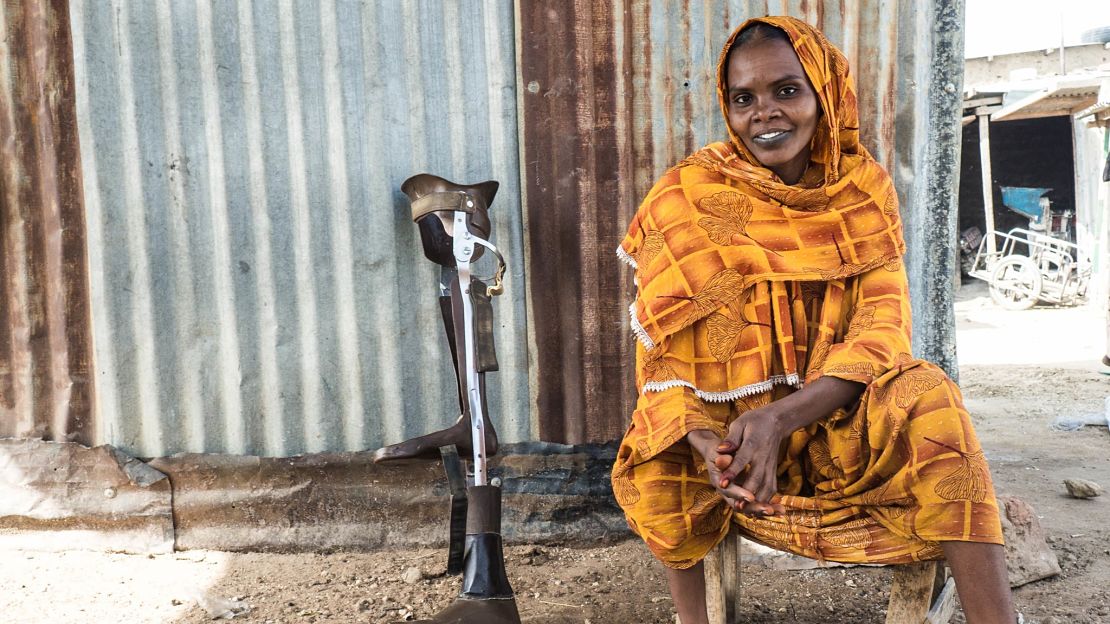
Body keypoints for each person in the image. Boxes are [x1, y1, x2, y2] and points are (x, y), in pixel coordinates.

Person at [611, 16, 1017, 624]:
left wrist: (780, 418)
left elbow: (882, 330)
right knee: (657, 442)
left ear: (824, 92)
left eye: (786, 90)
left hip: (840, 426)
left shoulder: (862, 190)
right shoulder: (691, 195)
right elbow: (666, 361)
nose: (765, 113)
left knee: (930, 394)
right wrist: (711, 446)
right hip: (732, 436)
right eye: (744, 98)